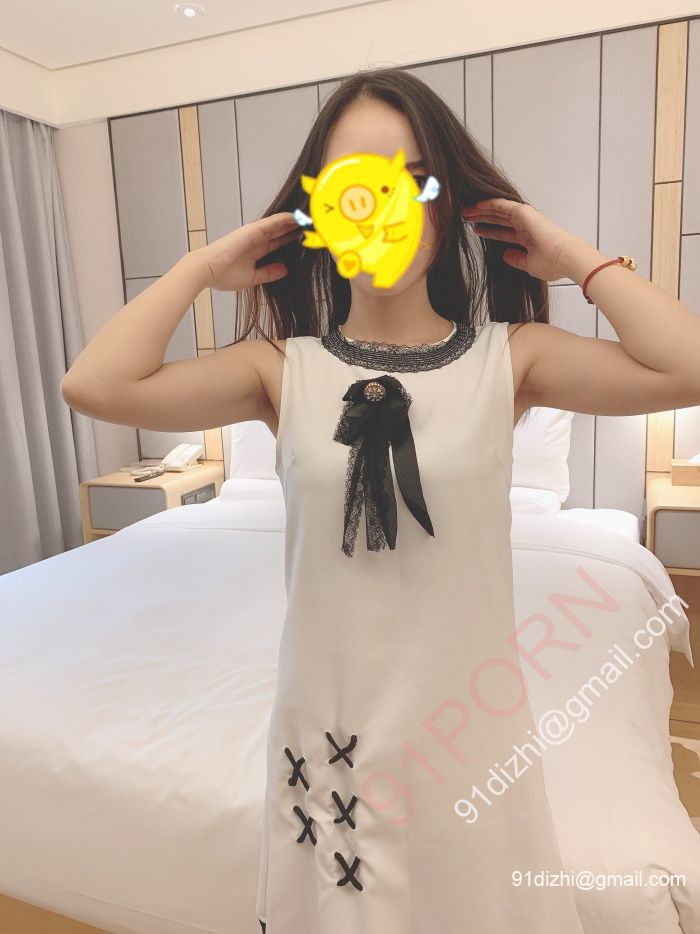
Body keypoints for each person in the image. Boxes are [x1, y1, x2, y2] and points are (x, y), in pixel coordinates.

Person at [62, 66, 700, 934]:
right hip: (330, 718)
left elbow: (686, 365)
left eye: (409, 180)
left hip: (467, 719)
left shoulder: (513, 358)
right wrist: (203, 267)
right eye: (350, 186)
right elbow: (95, 385)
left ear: (447, 202)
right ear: (320, 211)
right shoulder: (280, 370)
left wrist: (574, 258)